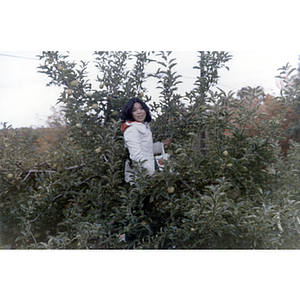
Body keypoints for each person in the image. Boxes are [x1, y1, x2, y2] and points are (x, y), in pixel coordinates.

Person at [120, 97, 171, 184]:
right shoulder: (132, 130)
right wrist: (151, 173)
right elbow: (136, 156)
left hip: (147, 175)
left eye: (141, 108)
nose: (139, 112)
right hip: (141, 177)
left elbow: (146, 149)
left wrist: (162, 144)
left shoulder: (144, 128)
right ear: (130, 113)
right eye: (134, 110)